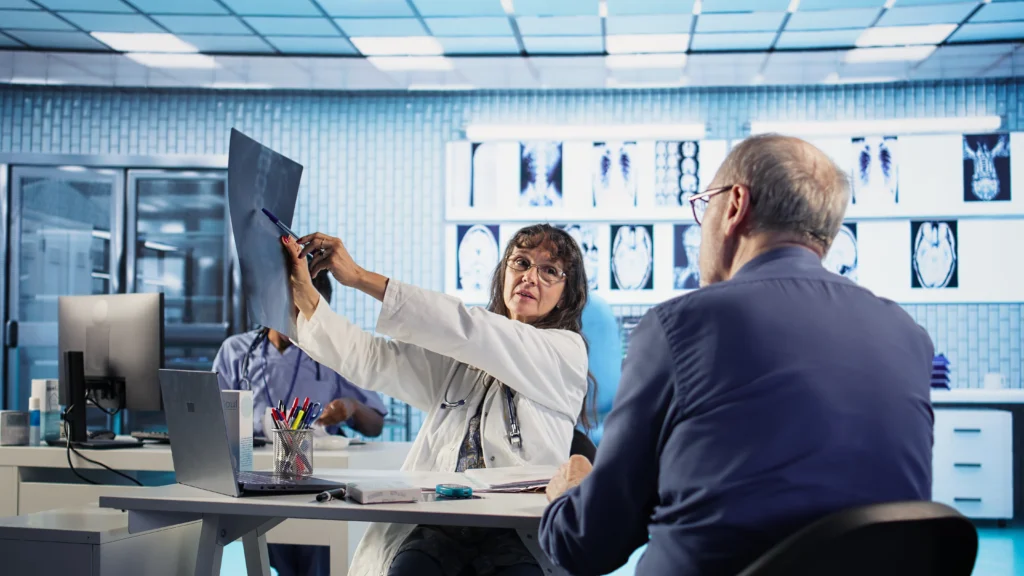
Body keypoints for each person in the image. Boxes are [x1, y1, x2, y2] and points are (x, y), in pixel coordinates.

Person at [538, 134, 935, 576]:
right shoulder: (908, 334)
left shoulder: (682, 325)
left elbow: (587, 544)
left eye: (703, 205)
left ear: (734, 206)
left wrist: (567, 495)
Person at [281, 223, 593, 576]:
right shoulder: (466, 359)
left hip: (517, 533)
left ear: (565, 295)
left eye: (549, 271)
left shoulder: (566, 352)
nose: (530, 277)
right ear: (504, 273)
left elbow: (472, 329)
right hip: (441, 525)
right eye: (520, 262)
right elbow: (374, 360)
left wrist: (359, 277)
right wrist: (306, 297)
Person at [213, 271, 388, 576]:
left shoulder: (331, 355)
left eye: (314, 315)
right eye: (297, 310)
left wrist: (352, 407)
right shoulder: (236, 351)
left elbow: (375, 425)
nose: (304, 323)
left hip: (316, 483)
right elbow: (213, 420)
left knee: (315, 555)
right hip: (256, 481)